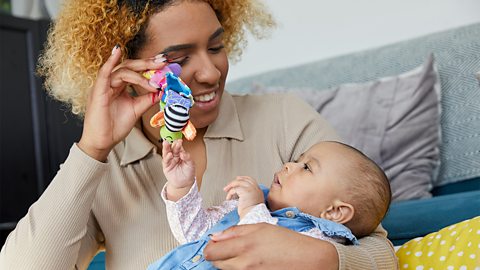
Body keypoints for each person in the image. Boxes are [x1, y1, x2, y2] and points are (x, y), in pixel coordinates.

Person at [0, 0, 398, 269]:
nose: (210, 73)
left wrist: (316, 256)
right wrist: (94, 147)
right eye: (178, 58)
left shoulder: (284, 118)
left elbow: (381, 250)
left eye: (217, 46)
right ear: (130, 67)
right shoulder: (107, 166)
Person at [147, 140, 392, 269]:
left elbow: (268, 256)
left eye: (306, 167)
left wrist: (253, 210)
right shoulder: (253, 204)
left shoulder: (318, 237)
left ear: (335, 211)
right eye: (297, 159)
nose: (289, 164)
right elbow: (194, 234)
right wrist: (181, 188)